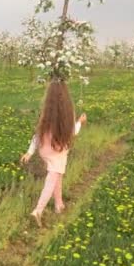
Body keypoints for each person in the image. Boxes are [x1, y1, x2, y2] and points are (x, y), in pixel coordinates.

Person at [20, 79, 87, 227]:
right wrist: (80, 122)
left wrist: (29, 153)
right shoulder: (67, 115)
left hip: (45, 150)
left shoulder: (47, 115)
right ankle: (38, 211)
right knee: (52, 178)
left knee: (57, 175)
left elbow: (37, 135)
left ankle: (59, 205)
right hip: (58, 151)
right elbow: (72, 132)